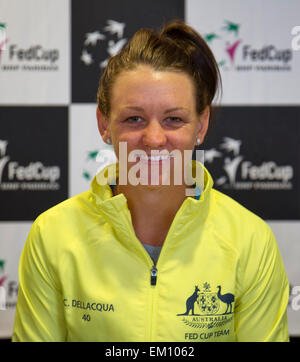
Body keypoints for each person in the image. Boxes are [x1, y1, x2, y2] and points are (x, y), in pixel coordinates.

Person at [12, 20, 289, 342]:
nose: (154, 139)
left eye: (174, 119)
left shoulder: (250, 240)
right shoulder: (54, 235)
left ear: (201, 125)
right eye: (134, 119)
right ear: (104, 124)